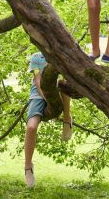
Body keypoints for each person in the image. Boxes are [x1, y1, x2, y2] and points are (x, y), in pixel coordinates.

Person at [24, 51, 73, 188]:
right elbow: (38, 81)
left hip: (59, 90)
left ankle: (67, 119)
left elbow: (67, 77)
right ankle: (28, 166)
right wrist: (48, 98)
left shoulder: (61, 52)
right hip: (38, 94)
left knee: (64, 84)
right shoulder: (35, 57)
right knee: (31, 127)